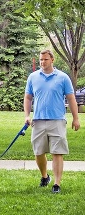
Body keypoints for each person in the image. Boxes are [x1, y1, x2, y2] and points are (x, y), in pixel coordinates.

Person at [23, 49, 80, 194]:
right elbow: (28, 97)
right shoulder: (33, 77)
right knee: (38, 152)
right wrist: (27, 115)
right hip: (38, 120)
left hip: (57, 120)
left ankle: (56, 184)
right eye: (41, 59)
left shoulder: (62, 77)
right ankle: (44, 176)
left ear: (52, 60)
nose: (42, 62)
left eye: (45, 59)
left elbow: (71, 98)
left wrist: (76, 118)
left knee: (57, 152)